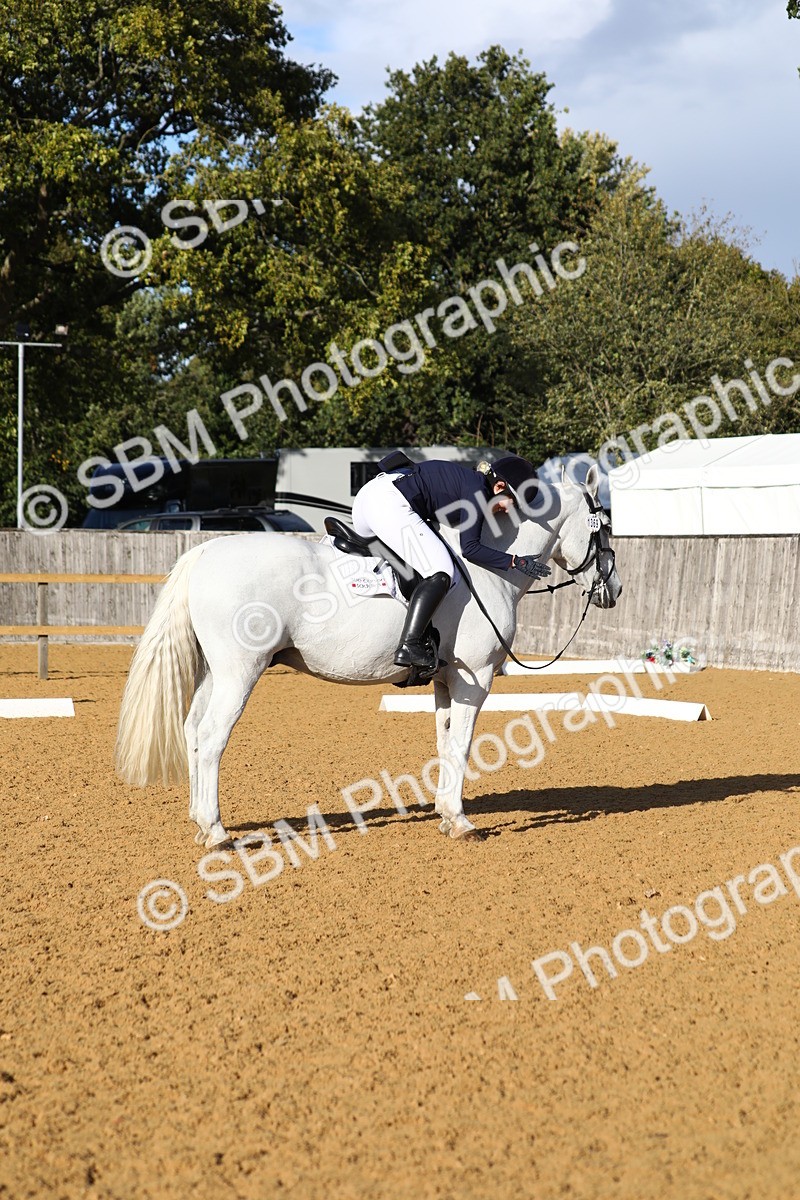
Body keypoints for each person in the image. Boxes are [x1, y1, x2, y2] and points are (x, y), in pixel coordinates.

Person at [351, 453, 551, 672]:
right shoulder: (478, 494)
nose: (508, 511)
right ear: (499, 486)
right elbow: (471, 549)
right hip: (389, 503)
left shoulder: (469, 482)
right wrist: (515, 561)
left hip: (367, 500)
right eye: (510, 503)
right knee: (442, 571)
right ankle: (411, 644)